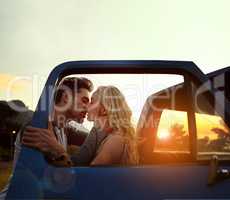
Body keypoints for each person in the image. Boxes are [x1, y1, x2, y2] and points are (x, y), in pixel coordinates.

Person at [85, 86, 139, 165]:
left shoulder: (116, 139)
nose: (87, 106)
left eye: (92, 102)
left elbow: (93, 175)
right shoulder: (112, 136)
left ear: (103, 110)